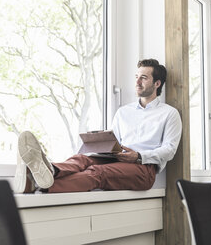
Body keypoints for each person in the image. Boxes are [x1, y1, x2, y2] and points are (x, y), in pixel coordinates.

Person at [14, 59, 182, 193]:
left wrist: (138, 156)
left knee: (98, 172)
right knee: (82, 159)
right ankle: (48, 171)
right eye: (136, 76)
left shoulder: (169, 114)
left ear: (157, 84)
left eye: (143, 78)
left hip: (144, 170)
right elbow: (114, 141)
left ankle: (42, 185)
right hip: (118, 159)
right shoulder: (124, 112)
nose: (137, 81)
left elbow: (169, 150)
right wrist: (103, 144)